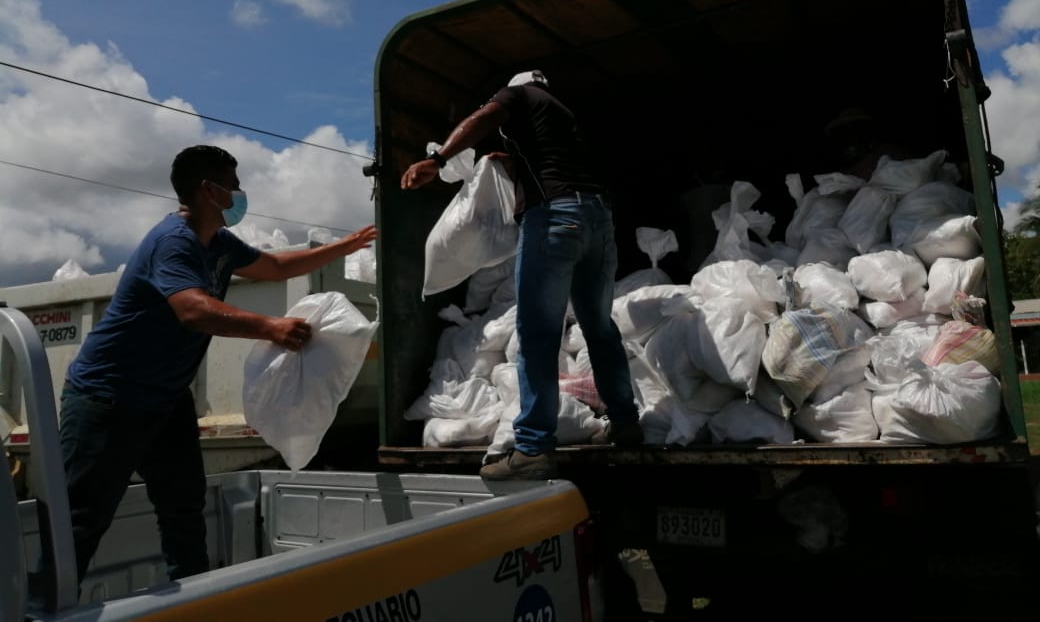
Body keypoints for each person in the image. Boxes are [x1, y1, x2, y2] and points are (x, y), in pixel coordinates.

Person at [57, 144, 377, 589]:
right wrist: (270, 327)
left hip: (167, 401)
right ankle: (44, 610)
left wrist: (348, 245)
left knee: (184, 511)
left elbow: (276, 265)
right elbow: (192, 309)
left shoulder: (219, 242)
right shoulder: (173, 242)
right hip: (108, 400)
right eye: (234, 184)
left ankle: (189, 601)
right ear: (210, 190)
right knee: (81, 521)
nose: (240, 192)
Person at [401, 70, 642, 481]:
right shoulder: (562, 115)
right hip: (597, 220)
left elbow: (485, 117)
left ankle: (531, 447)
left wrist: (437, 159)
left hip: (554, 220)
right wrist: (508, 160)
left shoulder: (517, 95)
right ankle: (625, 425)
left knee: (536, 333)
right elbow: (549, 159)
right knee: (599, 328)